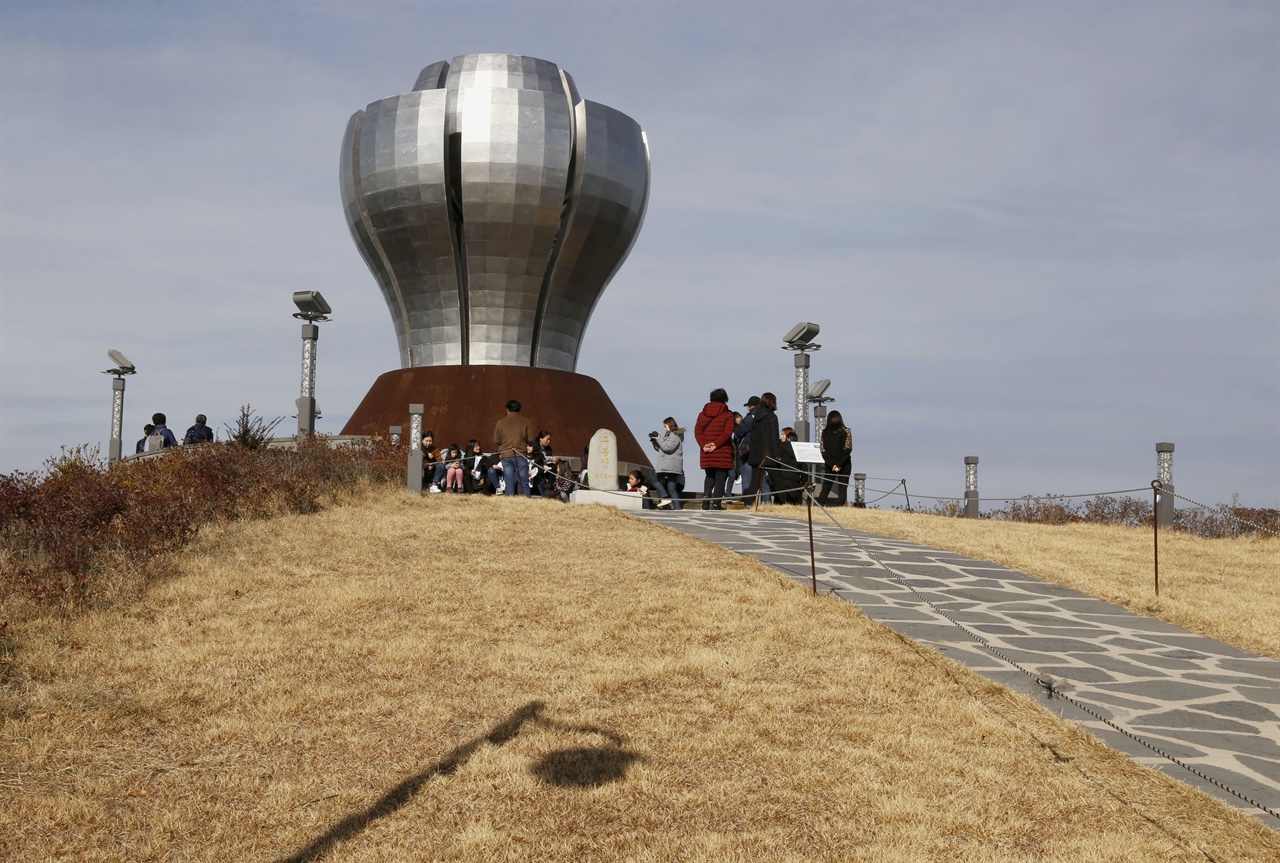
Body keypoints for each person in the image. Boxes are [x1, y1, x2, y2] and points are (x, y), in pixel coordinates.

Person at [694, 388, 735, 510]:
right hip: (722, 451)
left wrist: (704, 445)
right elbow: (727, 433)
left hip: (706, 452)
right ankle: (716, 503)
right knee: (721, 477)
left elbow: (697, 432)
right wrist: (715, 445)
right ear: (725, 400)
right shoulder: (728, 415)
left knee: (709, 475)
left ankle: (706, 499)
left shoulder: (702, 415)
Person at [493, 399, 535, 497]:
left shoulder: (500, 422)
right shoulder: (526, 421)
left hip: (506, 455)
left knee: (509, 481)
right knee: (523, 481)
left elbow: (496, 441)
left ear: (507, 410)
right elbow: (531, 439)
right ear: (519, 409)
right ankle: (524, 501)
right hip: (520, 454)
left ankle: (509, 502)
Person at [745, 392, 781, 502]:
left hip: (756, 453)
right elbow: (774, 437)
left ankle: (748, 502)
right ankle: (784, 501)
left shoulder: (755, 417)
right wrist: (777, 454)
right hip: (768, 454)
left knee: (755, 481)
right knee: (778, 479)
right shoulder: (772, 417)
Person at [818, 410, 853, 507]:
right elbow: (848, 449)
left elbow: (823, 450)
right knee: (843, 487)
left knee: (826, 487)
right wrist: (839, 464)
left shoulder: (825, 433)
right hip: (844, 464)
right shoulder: (846, 432)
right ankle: (839, 507)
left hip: (830, 466)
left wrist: (832, 465)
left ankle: (820, 505)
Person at [649, 417, 685, 510]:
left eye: (665, 426)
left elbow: (667, 448)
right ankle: (677, 509)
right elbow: (660, 449)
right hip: (671, 465)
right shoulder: (670, 436)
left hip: (668, 465)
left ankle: (664, 497)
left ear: (670, 424)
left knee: (654, 480)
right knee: (671, 488)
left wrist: (659, 439)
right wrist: (655, 441)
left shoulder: (674, 436)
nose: (664, 428)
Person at [773, 429, 806, 505]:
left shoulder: (780, 448)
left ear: (788, 437)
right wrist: (804, 482)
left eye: (783, 435)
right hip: (795, 484)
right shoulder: (799, 450)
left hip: (782, 483)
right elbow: (804, 467)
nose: (781, 437)